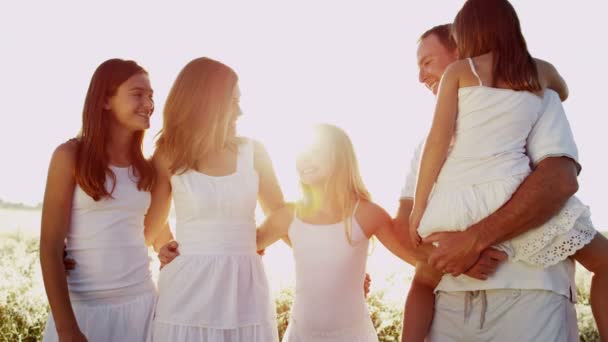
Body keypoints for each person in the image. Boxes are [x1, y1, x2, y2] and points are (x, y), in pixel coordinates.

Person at [396, 11, 607, 342]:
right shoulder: (539, 80)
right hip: (450, 309)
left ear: (461, 46)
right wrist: (455, 259)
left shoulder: (529, 96)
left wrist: (469, 237)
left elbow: (561, 180)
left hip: (529, 302)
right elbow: (406, 234)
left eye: (426, 62)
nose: (421, 76)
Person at [145, 57, 283, 341]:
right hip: (185, 288)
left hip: (244, 288)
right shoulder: (168, 155)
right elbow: (151, 221)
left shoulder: (254, 152)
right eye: (233, 102)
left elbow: (281, 213)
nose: (240, 111)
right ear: (207, 103)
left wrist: (248, 242)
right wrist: (163, 245)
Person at [40, 59, 165, 342]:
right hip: (83, 311)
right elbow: (49, 247)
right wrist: (66, 329)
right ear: (105, 100)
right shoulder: (69, 156)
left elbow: (148, 231)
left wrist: (166, 246)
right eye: (137, 94)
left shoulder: (145, 167)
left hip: (142, 307)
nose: (148, 103)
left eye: (151, 95)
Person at [255, 124, 414, 341]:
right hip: (301, 335)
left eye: (315, 152)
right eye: (302, 153)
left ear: (339, 158)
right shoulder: (288, 216)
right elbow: (242, 247)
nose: (305, 160)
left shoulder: (367, 214)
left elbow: (418, 259)